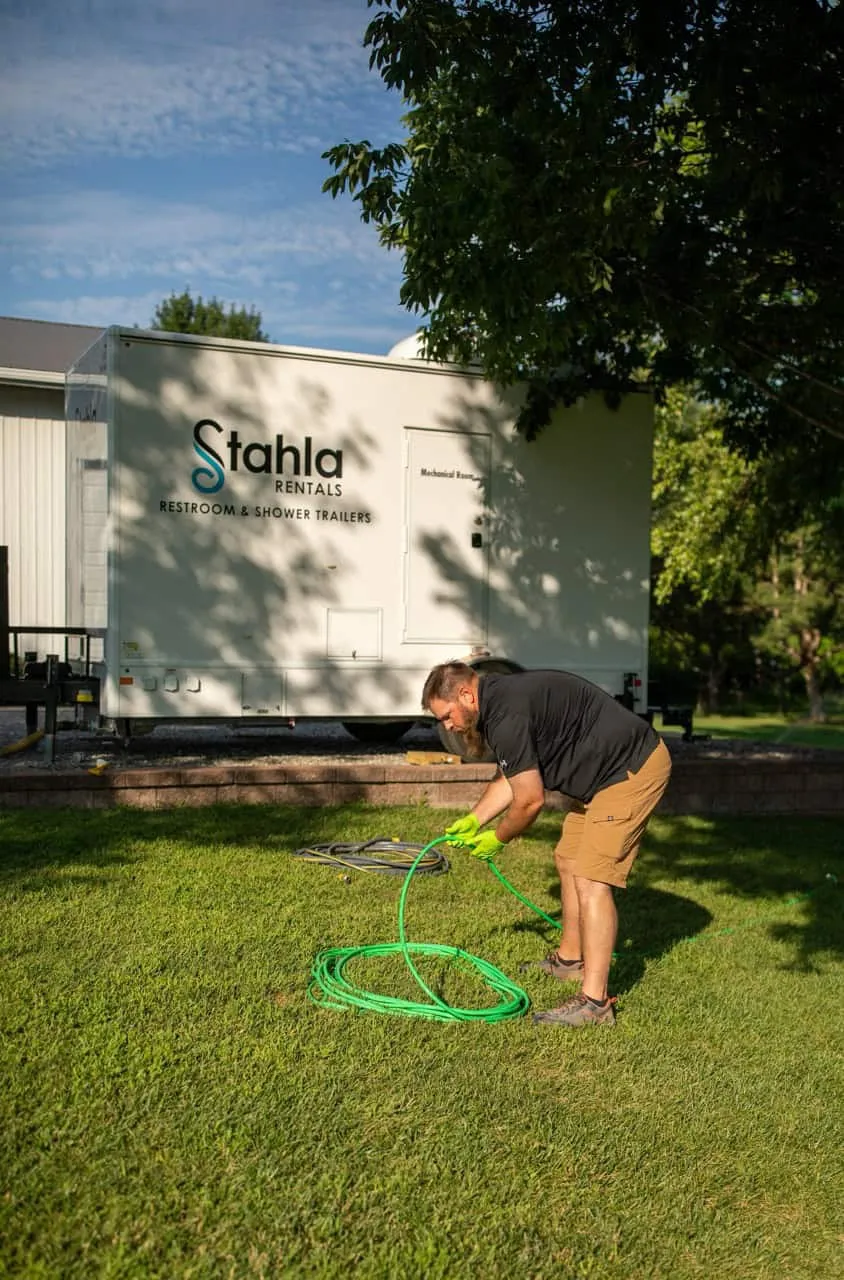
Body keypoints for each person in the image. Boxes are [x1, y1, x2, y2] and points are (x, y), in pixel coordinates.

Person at [421, 662, 672, 1027]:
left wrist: (498, 837)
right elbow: (513, 776)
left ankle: (595, 1003)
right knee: (568, 858)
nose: (448, 725)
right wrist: (476, 818)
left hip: (630, 770)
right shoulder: (498, 703)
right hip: (601, 778)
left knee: (592, 880)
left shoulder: (506, 713)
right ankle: (570, 961)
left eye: (446, 716)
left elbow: (529, 800)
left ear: (465, 695)